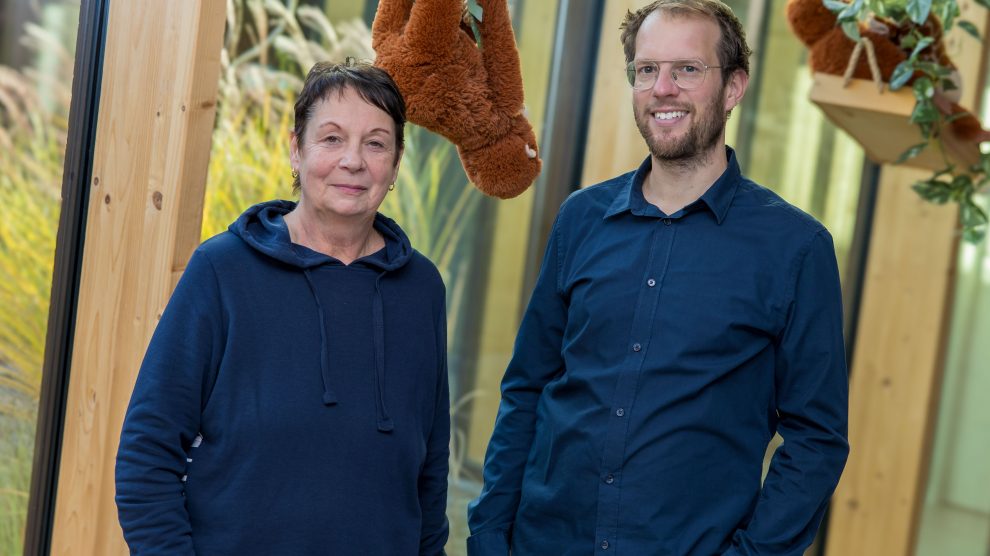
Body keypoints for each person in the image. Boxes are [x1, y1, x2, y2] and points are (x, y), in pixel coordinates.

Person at [467, 1, 849, 554]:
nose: (662, 87)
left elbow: (817, 439)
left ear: (734, 87)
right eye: (646, 70)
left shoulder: (796, 249)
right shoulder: (581, 218)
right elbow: (527, 386)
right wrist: (489, 533)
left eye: (687, 69)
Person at [115, 60, 450, 555]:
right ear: (296, 149)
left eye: (375, 143)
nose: (353, 161)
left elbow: (430, 468)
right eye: (331, 138)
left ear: (396, 164)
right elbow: (148, 451)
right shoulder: (223, 269)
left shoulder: (421, 287)